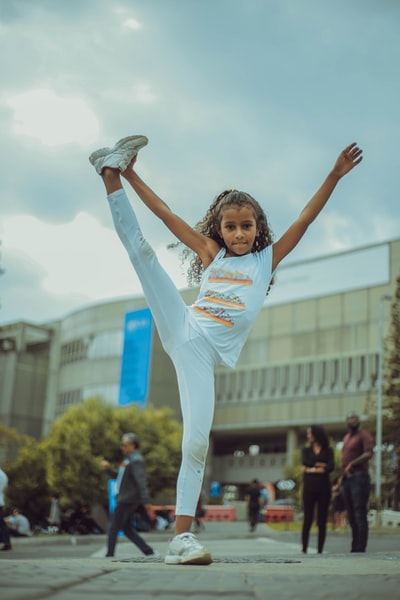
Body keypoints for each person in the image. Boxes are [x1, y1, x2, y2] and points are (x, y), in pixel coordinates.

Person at [89, 134, 362, 565]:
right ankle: (110, 174)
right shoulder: (211, 253)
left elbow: (306, 219)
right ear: (219, 229)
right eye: (230, 226)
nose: (238, 233)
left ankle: (180, 541)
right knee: (142, 253)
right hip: (184, 324)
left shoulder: (266, 260)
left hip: (200, 356)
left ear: (258, 228)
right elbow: (165, 214)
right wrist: (131, 173)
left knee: (196, 442)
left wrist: (333, 175)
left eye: (246, 225)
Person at [101, 432, 158, 559]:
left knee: (114, 525)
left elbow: (141, 481)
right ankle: (148, 551)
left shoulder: (136, 460)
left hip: (128, 499)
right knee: (127, 528)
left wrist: (145, 501)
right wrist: (108, 469)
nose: (122, 448)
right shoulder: (128, 459)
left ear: (132, 445)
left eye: (124, 445)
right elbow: (121, 477)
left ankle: (109, 554)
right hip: (125, 498)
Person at [340, 411, 373, 552]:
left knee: (360, 512)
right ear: (346, 421)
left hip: (359, 477)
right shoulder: (346, 438)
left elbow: (368, 453)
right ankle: (354, 547)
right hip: (347, 479)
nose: (353, 420)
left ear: (358, 421)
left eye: (355, 418)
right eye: (350, 418)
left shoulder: (364, 435)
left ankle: (361, 548)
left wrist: (352, 464)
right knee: (351, 514)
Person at [301, 425, 334, 554]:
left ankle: (320, 550)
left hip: (324, 489)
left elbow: (331, 467)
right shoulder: (306, 450)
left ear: (316, 434)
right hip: (309, 488)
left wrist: (311, 469)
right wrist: (320, 466)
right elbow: (305, 462)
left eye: (310, 433)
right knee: (307, 519)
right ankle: (304, 549)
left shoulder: (328, 450)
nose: (308, 436)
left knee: (322, 520)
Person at [0, 467, 11, 550]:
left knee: (2, 524)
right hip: (0, 501)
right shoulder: (3, 474)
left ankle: (6, 542)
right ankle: (6, 542)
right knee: (2, 523)